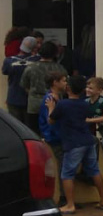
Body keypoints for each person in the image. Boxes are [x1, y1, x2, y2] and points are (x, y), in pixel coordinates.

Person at [47, 75, 103, 214]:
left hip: (73, 142)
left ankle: (70, 204)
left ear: (68, 88)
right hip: (88, 140)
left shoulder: (63, 104)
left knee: (67, 173)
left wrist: (51, 107)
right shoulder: (85, 104)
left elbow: (51, 121)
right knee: (94, 170)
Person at [19, 41, 67, 133]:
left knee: (34, 133)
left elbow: (24, 85)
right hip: (55, 103)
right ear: (55, 53)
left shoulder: (30, 68)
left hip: (34, 105)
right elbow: (65, 87)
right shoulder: (60, 68)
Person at [39, 71, 67, 206]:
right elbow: (49, 120)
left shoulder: (57, 97)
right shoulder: (50, 99)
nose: (65, 83)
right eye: (63, 80)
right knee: (62, 165)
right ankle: (63, 195)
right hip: (55, 137)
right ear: (55, 83)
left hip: (58, 135)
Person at [2, 36, 39, 123]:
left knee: (16, 126)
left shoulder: (8, 61)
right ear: (34, 48)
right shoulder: (36, 60)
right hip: (29, 99)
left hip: (13, 97)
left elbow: (5, 71)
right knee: (29, 127)